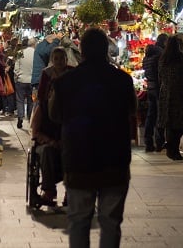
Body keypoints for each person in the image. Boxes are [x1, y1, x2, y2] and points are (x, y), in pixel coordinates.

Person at [49, 28, 137, 248]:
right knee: (111, 221)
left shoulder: (65, 82)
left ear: (82, 51)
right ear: (105, 50)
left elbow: (54, 115)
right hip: (114, 160)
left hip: (79, 159)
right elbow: (131, 111)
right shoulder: (123, 80)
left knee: (79, 220)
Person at [30, 46, 74, 206]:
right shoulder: (43, 106)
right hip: (48, 143)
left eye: (62, 59)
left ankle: (71, 191)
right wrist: (50, 141)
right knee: (47, 152)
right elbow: (35, 131)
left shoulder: (73, 110)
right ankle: (49, 191)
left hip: (68, 144)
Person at [157, 33, 183, 161]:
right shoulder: (181, 59)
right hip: (179, 93)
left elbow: (160, 76)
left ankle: (171, 148)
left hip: (166, 93)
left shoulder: (163, 59)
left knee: (170, 122)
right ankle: (173, 148)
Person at [143, 33, 168, 153]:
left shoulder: (147, 55)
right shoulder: (160, 54)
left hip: (150, 87)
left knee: (150, 115)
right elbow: (162, 72)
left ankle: (148, 141)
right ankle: (159, 141)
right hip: (158, 87)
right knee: (160, 114)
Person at [14, 37, 36, 129]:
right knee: (31, 101)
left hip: (21, 80)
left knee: (20, 100)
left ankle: (20, 117)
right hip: (32, 80)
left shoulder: (20, 52)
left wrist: (18, 75)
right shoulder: (36, 53)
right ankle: (29, 118)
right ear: (34, 44)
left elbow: (16, 67)